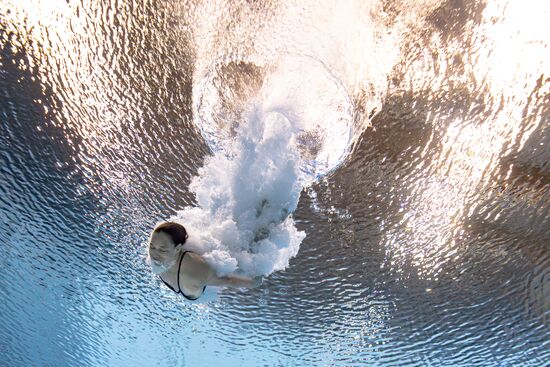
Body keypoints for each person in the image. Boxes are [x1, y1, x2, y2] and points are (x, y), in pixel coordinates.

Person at [147, 221, 256, 300]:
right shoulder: (158, 254)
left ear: (178, 249)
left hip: (204, 292)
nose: (154, 254)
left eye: (162, 250)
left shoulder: (195, 271)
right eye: (152, 247)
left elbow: (228, 280)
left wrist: (253, 283)